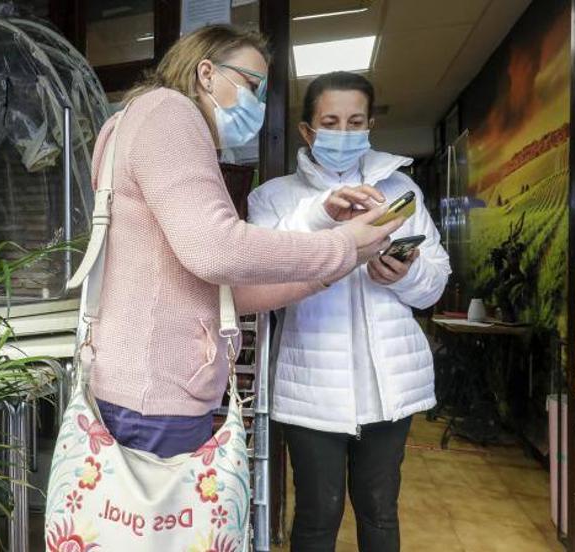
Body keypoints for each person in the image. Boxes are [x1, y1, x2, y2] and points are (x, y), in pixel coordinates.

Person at [86, 27, 403, 459]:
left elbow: (231, 289)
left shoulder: (138, 119)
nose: (256, 103)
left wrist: (334, 266)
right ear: (206, 73)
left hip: (146, 388)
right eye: (251, 85)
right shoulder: (170, 113)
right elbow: (219, 249)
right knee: (164, 528)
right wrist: (343, 244)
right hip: (155, 394)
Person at [247, 71, 451, 552]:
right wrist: (321, 214)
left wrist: (407, 274)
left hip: (390, 384)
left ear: (370, 125)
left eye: (355, 121)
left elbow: (435, 285)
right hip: (311, 388)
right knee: (318, 513)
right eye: (331, 122)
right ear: (307, 130)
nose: (344, 133)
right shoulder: (273, 198)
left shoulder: (403, 190)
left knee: (380, 510)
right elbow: (263, 277)